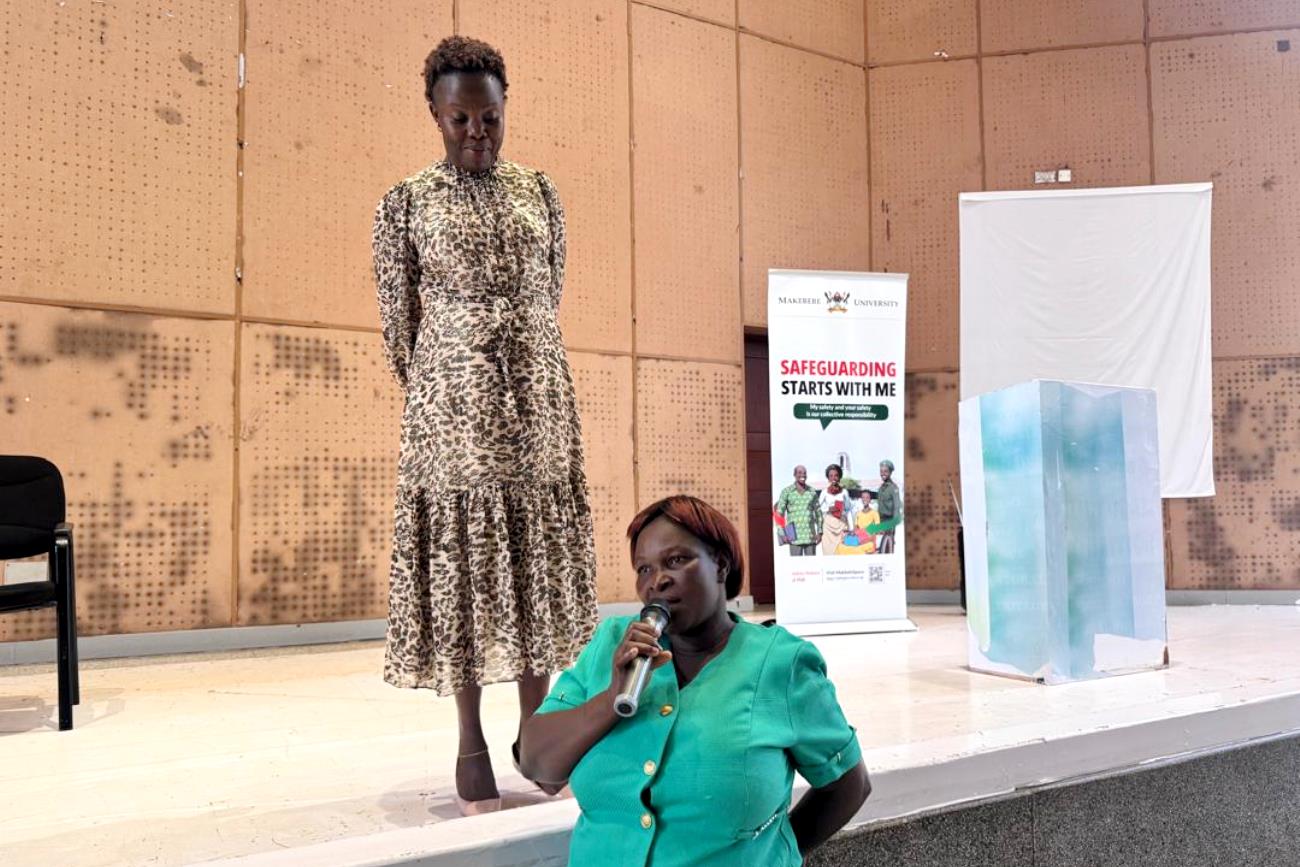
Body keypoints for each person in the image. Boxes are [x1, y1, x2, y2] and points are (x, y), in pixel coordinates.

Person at [372, 35, 599, 815]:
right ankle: (471, 741)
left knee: (532, 565)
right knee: (465, 572)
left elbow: (550, 288)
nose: (477, 132)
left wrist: (523, 354)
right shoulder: (406, 202)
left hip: (538, 401)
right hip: (454, 415)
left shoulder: (540, 191)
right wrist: (452, 372)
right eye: (460, 118)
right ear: (435, 114)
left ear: (506, 111)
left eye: (490, 118)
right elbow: (399, 325)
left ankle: (537, 732)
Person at [518, 496, 870, 866]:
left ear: (720, 565)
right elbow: (537, 763)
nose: (657, 581)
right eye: (644, 569)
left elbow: (849, 784)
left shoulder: (782, 663)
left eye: (676, 560)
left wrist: (775, 853)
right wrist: (610, 700)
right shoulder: (612, 644)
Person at [774, 465, 821, 556]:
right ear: (794, 475)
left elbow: (818, 513)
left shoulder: (812, 492)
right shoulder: (787, 491)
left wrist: (820, 532)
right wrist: (782, 533)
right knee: (795, 564)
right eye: (799, 473)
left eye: (804, 473)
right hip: (793, 537)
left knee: (812, 564)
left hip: (810, 536)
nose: (802, 475)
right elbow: (779, 513)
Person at [875, 460, 902, 554]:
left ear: (890, 472)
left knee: (888, 547)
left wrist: (892, 524)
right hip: (880, 521)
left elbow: (896, 507)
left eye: (886, 471)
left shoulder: (893, 488)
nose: (883, 473)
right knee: (879, 547)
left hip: (889, 521)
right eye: (881, 471)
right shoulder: (881, 488)